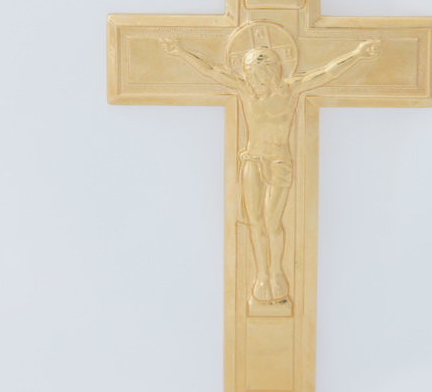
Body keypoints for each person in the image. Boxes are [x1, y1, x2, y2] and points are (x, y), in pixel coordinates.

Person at [160, 35, 381, 304]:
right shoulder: (246, 90)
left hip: (278, 162)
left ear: (272, 70)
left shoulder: (290, 90)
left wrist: (358, 53)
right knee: (255, 221)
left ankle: (277, 272)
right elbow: (210, 70)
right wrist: (180, 52)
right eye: (250, 71)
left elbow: (327, 72)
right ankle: (262, 275)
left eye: (258, 71)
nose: (253, 77)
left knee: (272, 221)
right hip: (252, 160)